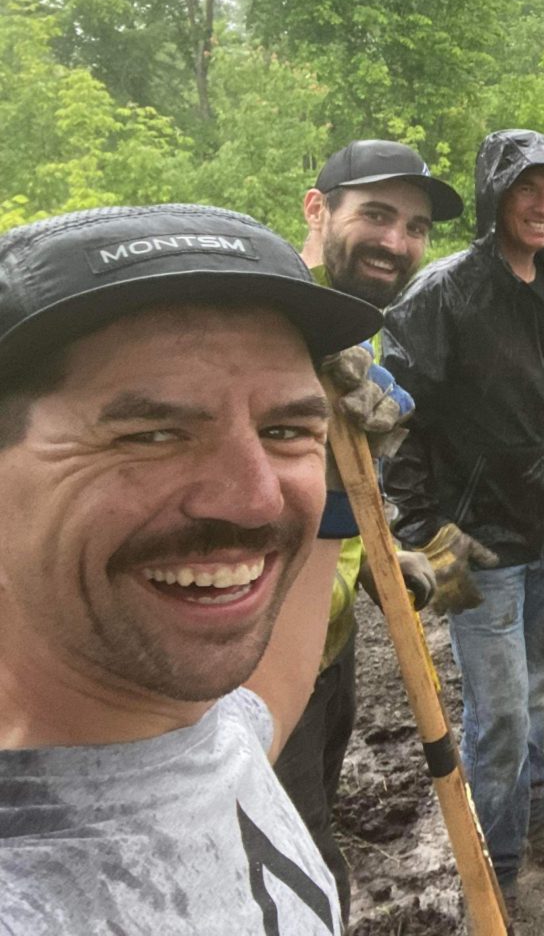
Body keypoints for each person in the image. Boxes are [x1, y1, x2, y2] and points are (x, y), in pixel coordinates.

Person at [0, 203, 384, 932]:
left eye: (283, 431)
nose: (255, 500)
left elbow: (274, 688)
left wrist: (335, 498)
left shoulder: (194, 728)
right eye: (152, 433)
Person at [382, 129, 544, 893]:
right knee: (501, 720)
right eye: (528, 190)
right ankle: (497, 871)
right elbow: (395, 430)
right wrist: (423, 539)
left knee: (538, 695)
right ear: (496, 195)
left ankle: (535, 815)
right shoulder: (441, 294)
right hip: (472, 551)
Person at [274, 139, 464, 920]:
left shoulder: (353, 326)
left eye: (415, 226)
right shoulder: (270, 317)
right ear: (317, 208)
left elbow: (336, 483)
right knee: (299, 853)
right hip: (262, 654)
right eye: (377, 215)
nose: (397, 241)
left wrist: (384, 554)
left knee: (317, 806)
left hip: (331, 636)